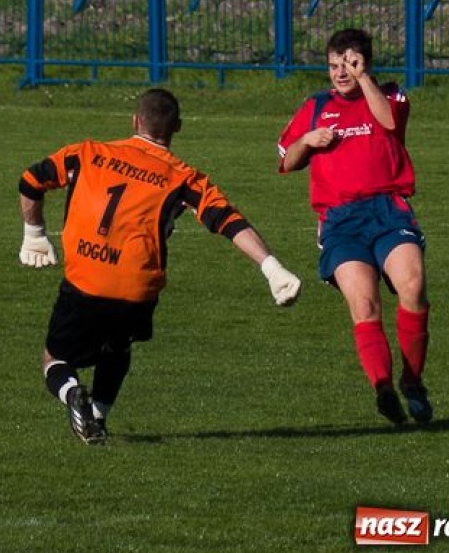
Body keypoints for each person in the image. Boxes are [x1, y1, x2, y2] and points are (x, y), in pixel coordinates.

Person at [18, 87, 302, 445]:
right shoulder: (182, 176)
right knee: (118, 348)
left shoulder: (88, 153)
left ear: (135, 120)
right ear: (177, 127)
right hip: (137, 288)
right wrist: (272, 267)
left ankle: (73, 393)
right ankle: (97, 421)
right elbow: (227, 220)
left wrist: (34, 233)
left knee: (54, 358)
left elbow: (30, 181)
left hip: (85, 279)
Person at [277, 28, 432, 426]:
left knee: (413, 287)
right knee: (364, 306)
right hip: (340, 221)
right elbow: (286, 161)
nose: (340, 74)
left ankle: (412, 382)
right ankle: (383, 387)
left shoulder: (391, 95)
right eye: (333, 66)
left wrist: (366, 81)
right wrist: (307, 141)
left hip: (388, 211)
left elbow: (389, 125)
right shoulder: (315, 106)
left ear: (365, 62)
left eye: (348, 64)